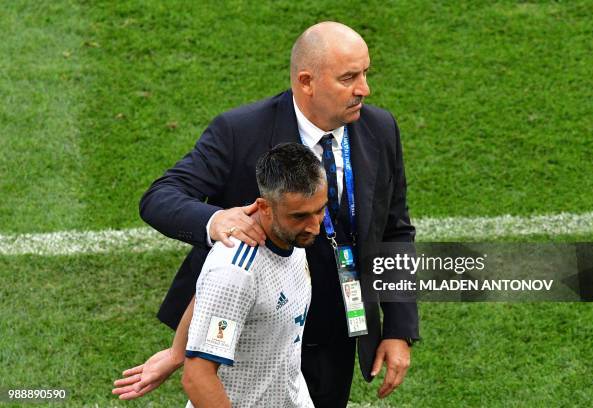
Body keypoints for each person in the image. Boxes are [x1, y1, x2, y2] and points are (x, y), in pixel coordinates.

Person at [113, 21, 419, 407]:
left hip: (339, 329)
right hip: (254, 331)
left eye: (365, 73)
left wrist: (398, 328)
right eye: (349, 78)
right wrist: (215, 220)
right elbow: (160, 196)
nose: (364, 89)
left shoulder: (380, 128)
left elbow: (395, 229)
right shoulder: (240, 131)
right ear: (307, 81)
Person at [183, 143, 325, 407]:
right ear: (265, 207)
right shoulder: (236, 272)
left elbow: (209, 301)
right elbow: (198, 377)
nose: (315, 226)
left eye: (320, 210)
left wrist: (174, 352)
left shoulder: (292, 238)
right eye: (300, 216)